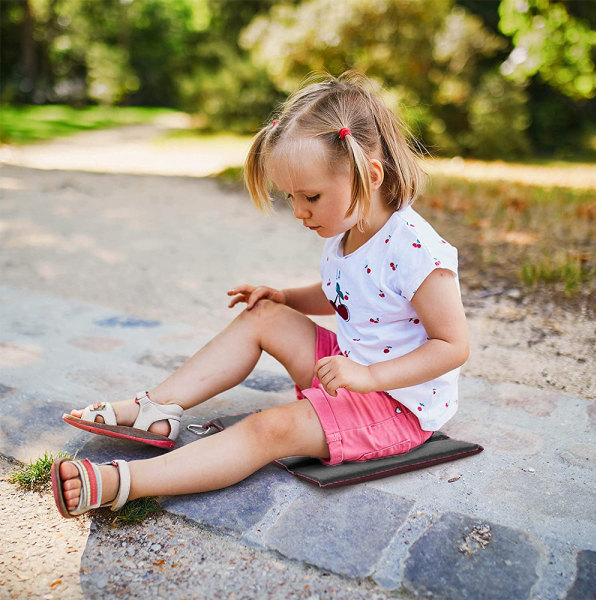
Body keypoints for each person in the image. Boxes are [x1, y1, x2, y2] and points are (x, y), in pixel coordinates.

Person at [52, 71, 469, 518]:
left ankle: (123, 483)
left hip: (396, 404)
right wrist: (285, 298)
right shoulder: (348, 229)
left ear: (369, 175)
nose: (298, 212)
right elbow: (350, 296)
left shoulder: (416, 251)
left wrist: (368, 379)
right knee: (263, 313)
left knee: (268, 430)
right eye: (290, 197)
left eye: (310, 195)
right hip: (346, 370)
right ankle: (156, 409)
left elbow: (453, 346)